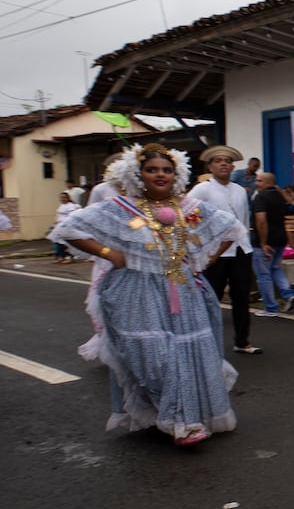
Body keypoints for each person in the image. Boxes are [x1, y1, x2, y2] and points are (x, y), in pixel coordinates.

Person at [49, 143, 240, 446]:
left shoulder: (188, 207)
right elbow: (67, 231)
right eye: (152, 170)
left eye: (166, 170)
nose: (160, 175)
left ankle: (183, 421)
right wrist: (108, 252)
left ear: (176, 175)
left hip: (184, 289)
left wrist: (205, 260)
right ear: (138, 175)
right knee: (152, 355)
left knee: (185, 354)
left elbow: (231, 229)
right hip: (136, 291)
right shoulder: (120, 208)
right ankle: (167, 411)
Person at [187, 145, 261, 354]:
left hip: (240, 250)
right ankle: (205, 342)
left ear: (232, 166)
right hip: (215, 253)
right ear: (210, 166)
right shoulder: (203, 189)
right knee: (212, 297)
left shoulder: (239, 190)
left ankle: (242, 341)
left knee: (241, 297)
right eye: (218, 161)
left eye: (227, 161)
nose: (223, 164)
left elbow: (244, 220)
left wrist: (247, 242)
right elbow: (187, 214)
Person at [251, 172, 294, 317]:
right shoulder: (279, 196)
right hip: (280, 238)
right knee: (275, 268)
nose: (256, 183)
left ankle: (270, 307)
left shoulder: (261, 197)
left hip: (265, 242)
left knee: (263, 274)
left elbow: (261, 220)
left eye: (259, 181)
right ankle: (288, 294)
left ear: (267, 183)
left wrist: (263, 242)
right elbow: (291, 207)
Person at [52, 192, 80, 262]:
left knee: (68, 242)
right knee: (58, 241)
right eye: (61, 197)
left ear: (68, 198)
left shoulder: (70, 206)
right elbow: (58, 215)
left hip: (66, 226)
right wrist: (55, 222)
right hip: (59, 226)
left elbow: (71, 216)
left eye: (64, 197)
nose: (62, 199)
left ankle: (71, 257)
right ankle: (61, 256)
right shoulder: (61, 205)